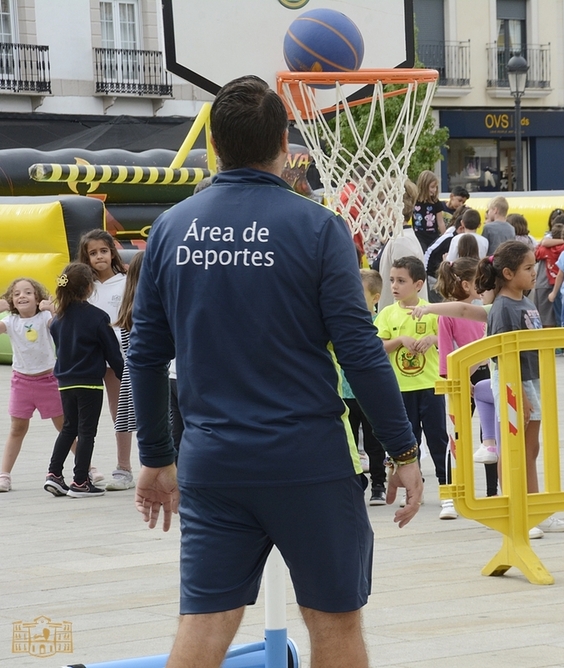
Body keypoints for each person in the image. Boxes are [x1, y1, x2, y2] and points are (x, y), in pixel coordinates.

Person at [128, 75, 422, 668]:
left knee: (204, 625)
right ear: (286, 142)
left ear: (214, 143)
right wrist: (403, 450)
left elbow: (145, 352)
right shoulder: (318, 227)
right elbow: (360, 349)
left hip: (213, 460)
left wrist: (157, 456)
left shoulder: (171, 229)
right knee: (335, 623)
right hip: (306, 460)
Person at [478, 240, 564, 538]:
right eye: (528, 268)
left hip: (531, 380)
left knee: (531, 447)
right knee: (514, 449)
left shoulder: (525, 300)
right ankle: (515, 512)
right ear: (507, 273)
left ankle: (535, 508)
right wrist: (516, 392)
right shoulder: (503, 307)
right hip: (514, 382)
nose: (535, 273)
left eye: (535, 267)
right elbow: (502, 354)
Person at [375, 256, 450, 515]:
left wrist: (432, 338)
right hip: (400, 390)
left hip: (430, 386)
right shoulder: (386, 314)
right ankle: (413, 490)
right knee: (409, 442)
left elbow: (449, 339)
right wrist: (400, 340)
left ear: (418, 284)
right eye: (392, 280)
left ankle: (447, 489)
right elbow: (378, 347)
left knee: (438, 438)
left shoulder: (432, 311)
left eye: (401, 281)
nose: (395, 286)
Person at [44, 263, 124, 498]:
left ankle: (54, 474)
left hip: (65, 382)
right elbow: (113, 352)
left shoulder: (58, 320)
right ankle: (80, 481)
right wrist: (124, 375)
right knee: (87, 432)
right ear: (89, 288)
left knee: (69, 428)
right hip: (89, 382)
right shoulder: (98, 317)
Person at [427, 258, 497, 497]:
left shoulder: (483, 309)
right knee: (457, 435)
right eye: (479, 280)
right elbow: (446, 352)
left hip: (486, 375)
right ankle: (451, 492)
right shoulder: (447, 314)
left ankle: (491, 492)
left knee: (489, 437)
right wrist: (459, 378)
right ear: (467, 285)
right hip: (461, 380)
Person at [78, 229, 132, 491]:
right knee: (80, 415)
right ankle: (83, 470)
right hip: (88, 357)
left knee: (119, 412)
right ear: (85, 257)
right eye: (93, 253)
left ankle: (124, 468)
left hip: (119, 358)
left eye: (103, 251)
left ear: (112, 252)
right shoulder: (83, 286)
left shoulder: (126, 281)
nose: (99, 256)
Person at [0, 279, 63, 492]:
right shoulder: (10, 321)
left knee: (64, 426)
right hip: (21, 382)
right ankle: (4, 475)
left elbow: (62, 326)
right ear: (11, 301)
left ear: (38, 298)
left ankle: (88, 468)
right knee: (17, 428)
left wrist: (51, 308)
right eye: (17, 294)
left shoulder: (44, 317)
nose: (22, 296)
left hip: (48, 381)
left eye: (28, 292)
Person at [342, 269, 388, 504]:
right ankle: (354, 483)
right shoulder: (342, 322)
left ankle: (378, 483)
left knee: (374, 442)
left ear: (375, 297)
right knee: (348, 443)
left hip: (368, 394)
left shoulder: (378, 323)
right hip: (345, 393)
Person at [111, 251, 144, 466]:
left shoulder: (128, 307)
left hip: (134, 372)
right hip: (149, 373)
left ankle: (127, 467)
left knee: (138, 423)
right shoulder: (144, 307)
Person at [377, 180, 429, 312]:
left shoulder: (402, 241)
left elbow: (405, 294)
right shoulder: (400, 238)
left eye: (383, 202)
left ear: (396, 205)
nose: (379, 207)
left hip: (401, 326)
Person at [534, 216, 564, 328]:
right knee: (561, 316)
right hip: (562, 284)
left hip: (544, 284)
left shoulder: (544, 248)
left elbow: (536, 254)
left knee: (544, 317)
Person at [411, 170, 446, 251]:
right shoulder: (414, 201)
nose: (434, 190)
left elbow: (440, 222)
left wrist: (444, 237)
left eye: (436, 187)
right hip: (419, 236)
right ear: (424, 186)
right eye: (432, 187)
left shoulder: (435, 202)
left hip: (433, 236)